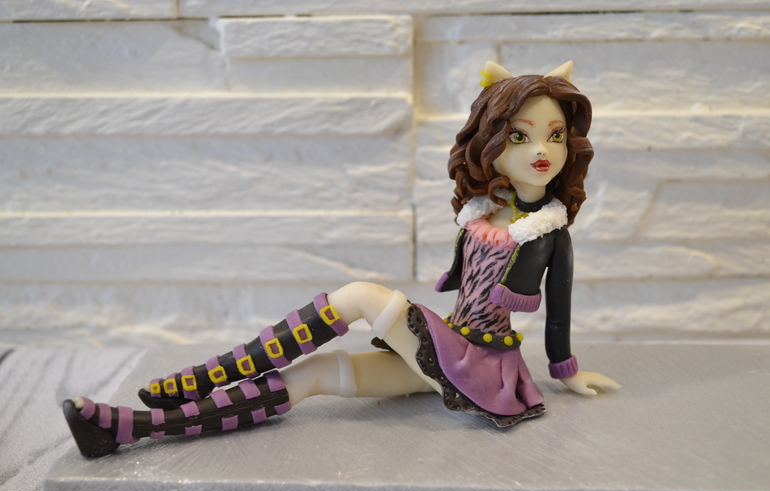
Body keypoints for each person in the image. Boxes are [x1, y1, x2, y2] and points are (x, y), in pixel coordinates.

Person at [63, 61, 620, 458]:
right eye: (520, 137)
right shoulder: (484, 211)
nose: (541, 151)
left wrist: (567, 373)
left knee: (359, 296)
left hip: (483, 366)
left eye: (554, 137)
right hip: (445, 350)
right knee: (314, 376)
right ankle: (132, 428)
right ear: (492, 141)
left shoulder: (550, 232)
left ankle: (200, 378)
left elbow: (558, 318)